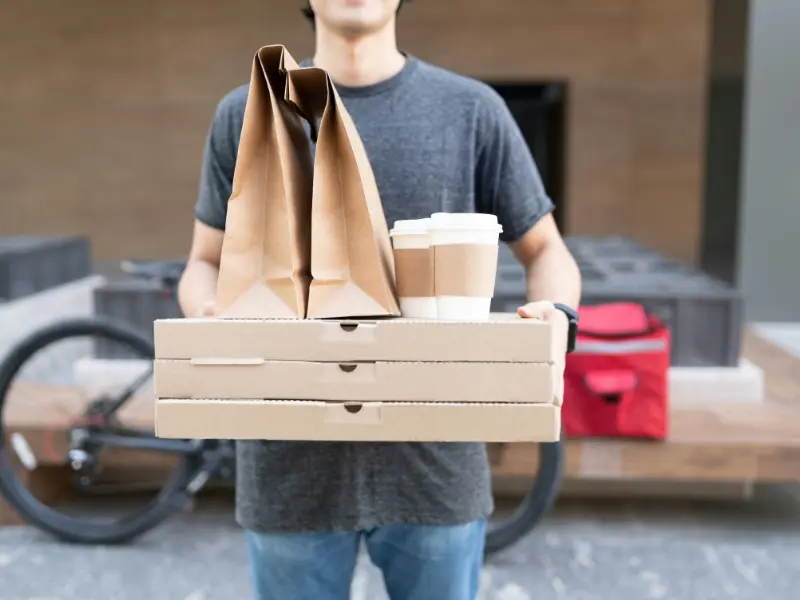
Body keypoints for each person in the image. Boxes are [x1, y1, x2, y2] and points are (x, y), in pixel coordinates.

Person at [178, 1, 582, 598]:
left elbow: (546, 248)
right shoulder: (250, 112)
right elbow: (203, 265)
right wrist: (212, 318)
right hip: (286, 466)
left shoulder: (470, 111)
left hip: (437, 467)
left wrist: (557, 316)